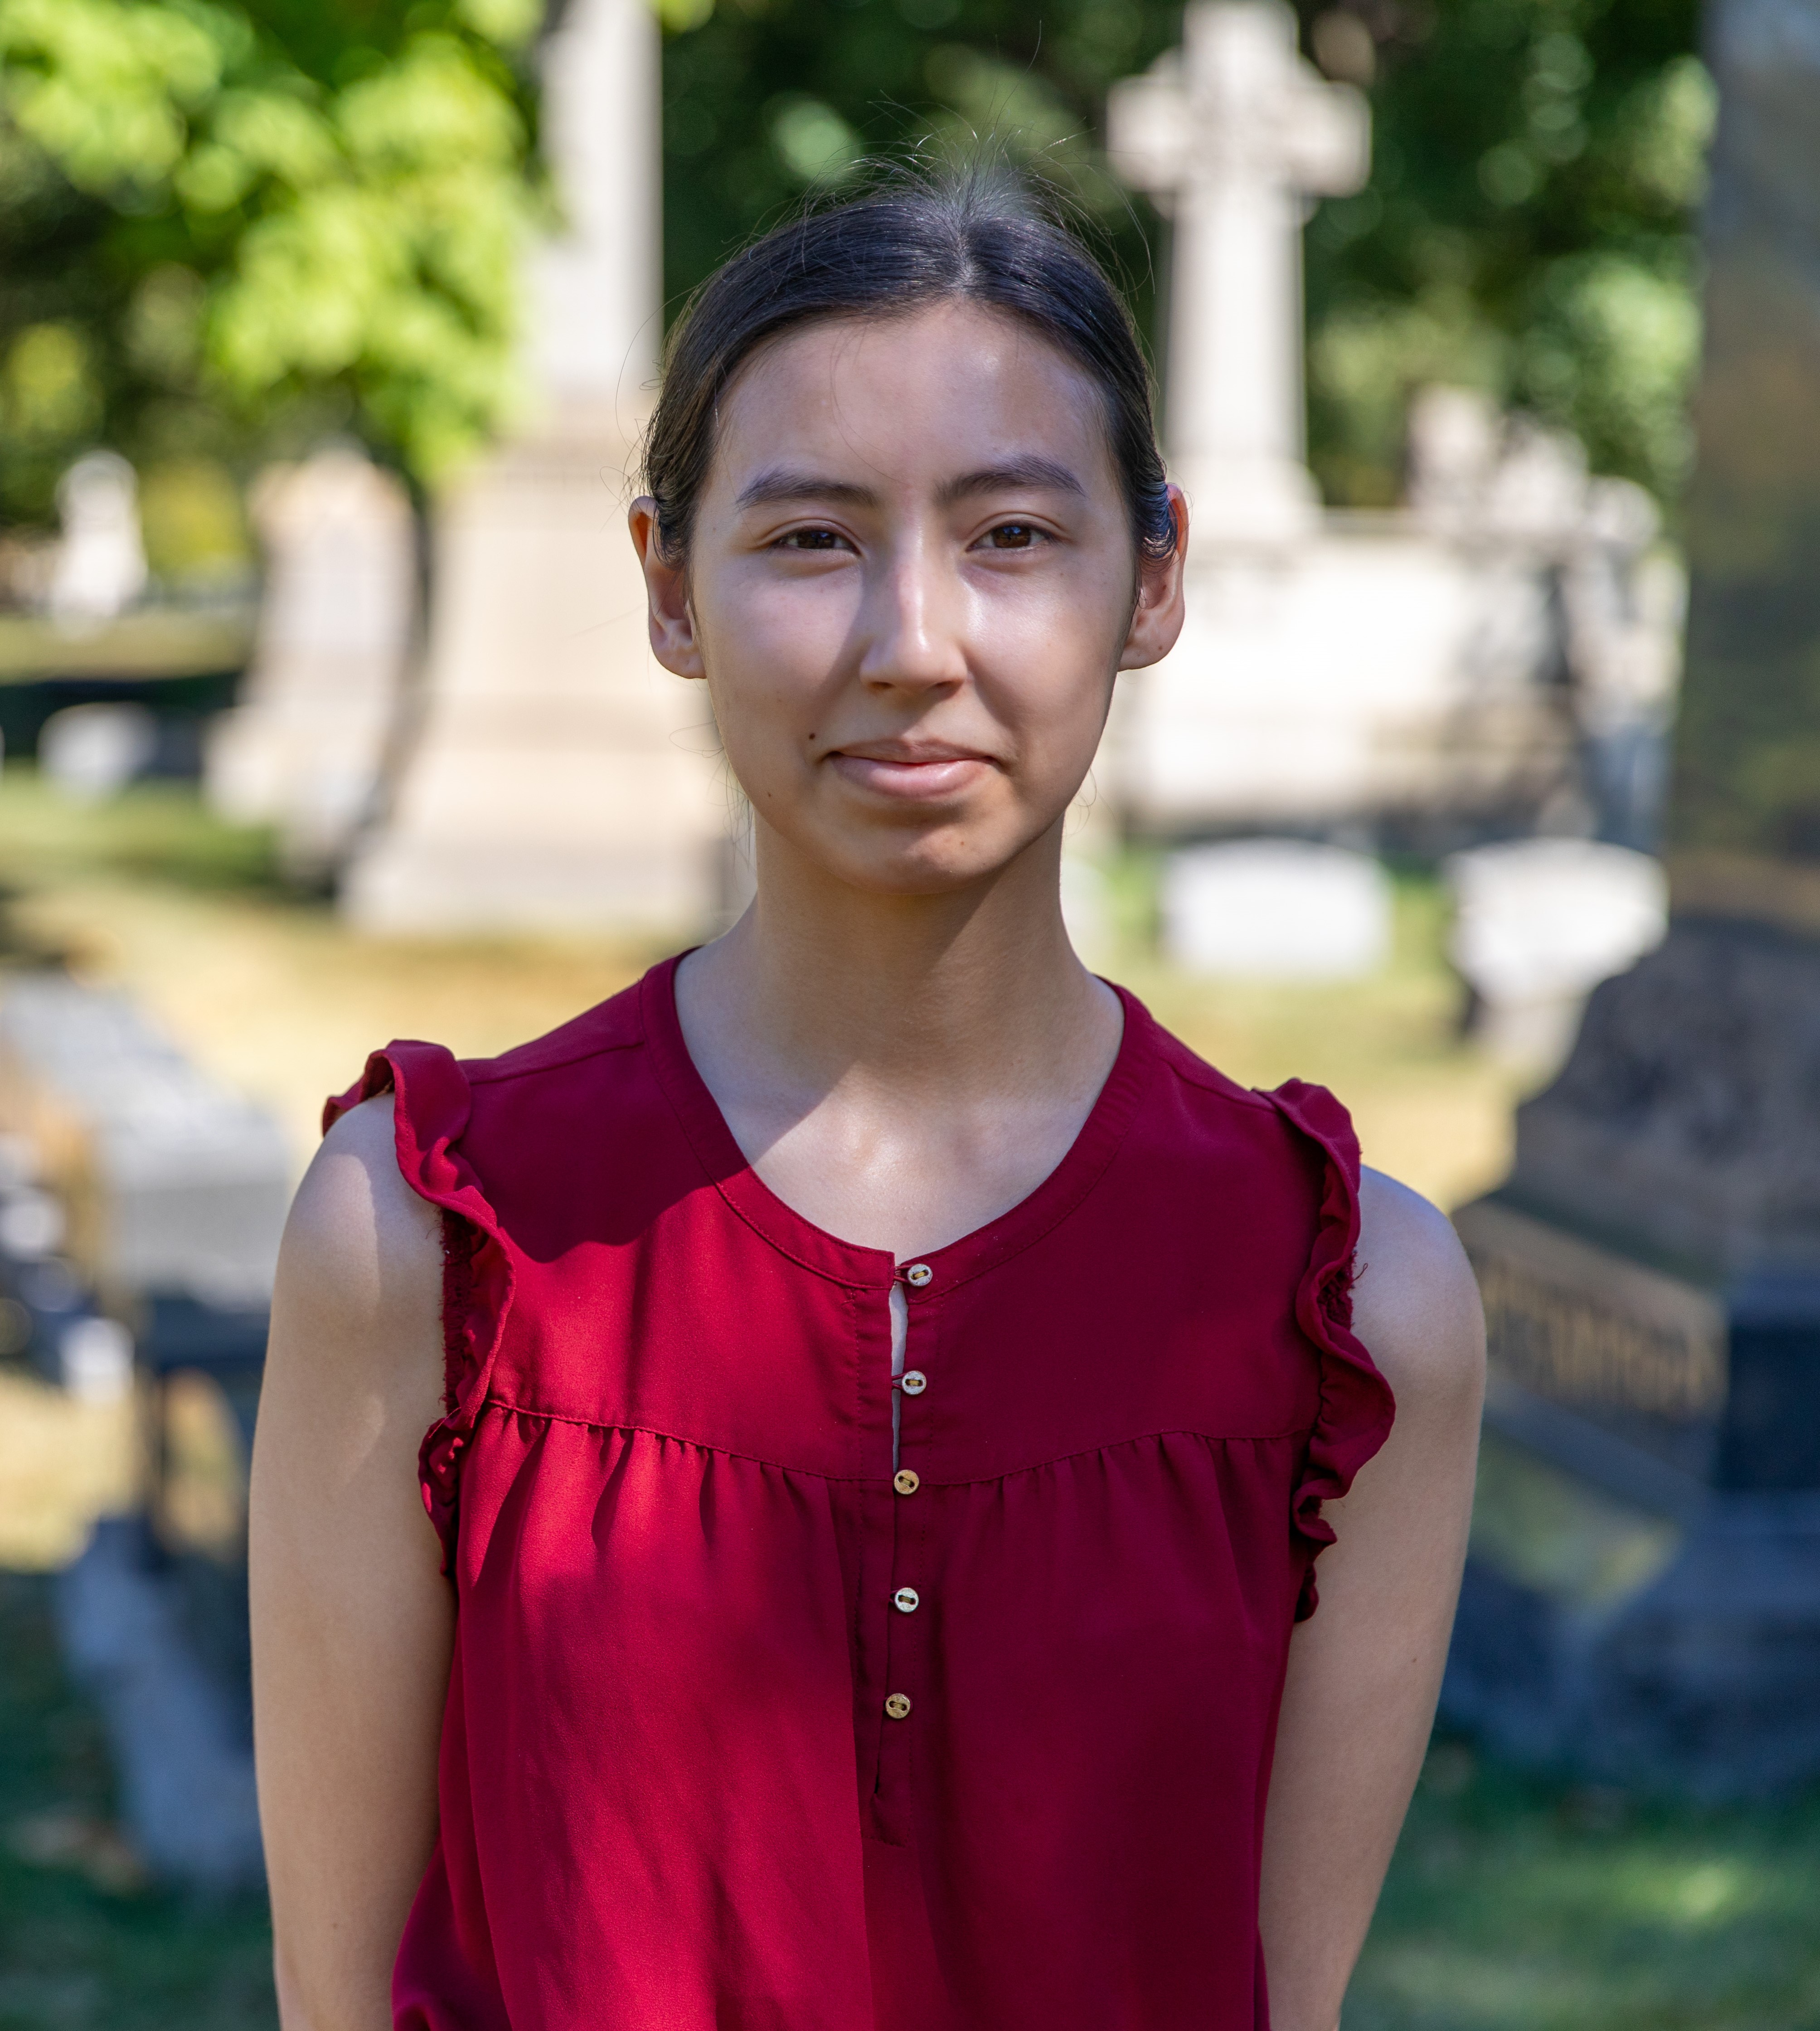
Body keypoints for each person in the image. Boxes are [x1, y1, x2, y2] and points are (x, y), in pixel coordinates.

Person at [250, 173, 1485, 2031]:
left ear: (1150, 578)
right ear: (668, 584)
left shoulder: (1352, 1309)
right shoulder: (423, 1245)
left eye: (1007, 534)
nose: (913, 640)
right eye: (813, 540)